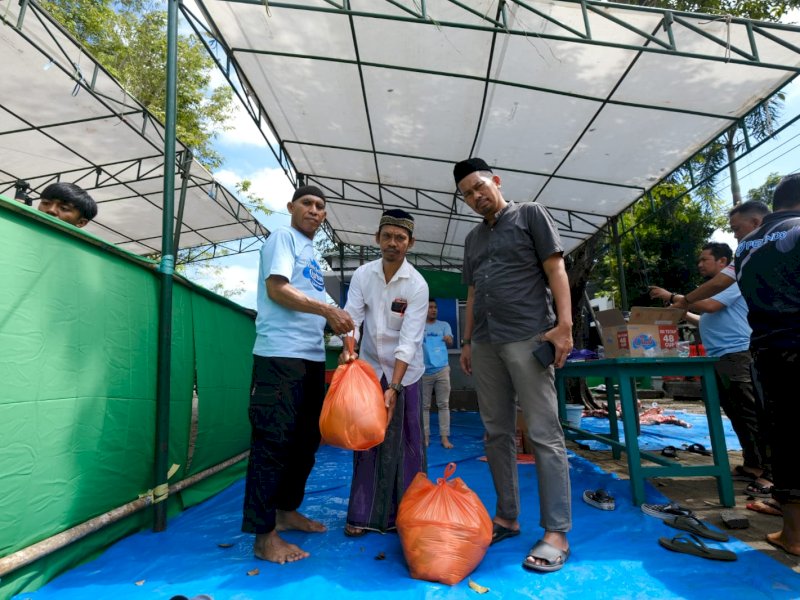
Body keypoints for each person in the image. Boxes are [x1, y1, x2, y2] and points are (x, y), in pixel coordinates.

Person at [455, 157, 573, 573]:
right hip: (486, 342)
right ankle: (506, 517)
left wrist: (564, 326)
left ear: (496, 180)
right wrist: (467, 341)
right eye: (467, 194)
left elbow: (555, 267)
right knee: (496, 432)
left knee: (543, 433)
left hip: (527, 335)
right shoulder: (472, 238)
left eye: (479, 186)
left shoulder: (530, 215)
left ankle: (556, 531)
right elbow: (472, 292)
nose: (476, 196)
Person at [241, 185, 354, 564]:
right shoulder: (282, 238)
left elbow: (315, 305)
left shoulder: (311, 255)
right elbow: (278, 290)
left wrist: (344, 338)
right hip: (279, 356)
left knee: (306, 441)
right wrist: (328, 311)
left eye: (321, 206)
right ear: (291, 207)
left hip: (310, 359)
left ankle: (286, 511)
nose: (314, 210)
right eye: (307, 203)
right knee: (272, 443)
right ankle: (263, 536)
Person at [649, 242, 770, 491]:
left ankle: (769, 471)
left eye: (705, 259)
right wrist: (684, 312)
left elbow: (711, 307)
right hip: (718, 356)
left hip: (736, 354)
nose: (700, 264)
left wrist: (672, 297)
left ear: (722, 261)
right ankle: (752, 464)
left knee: (749, 412)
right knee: (735, 412)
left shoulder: (731, 282)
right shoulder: (711, 290)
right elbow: (704, 318)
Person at [339, 208, 429, 537]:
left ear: (410, 243)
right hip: (369, 371)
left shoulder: (417, 285)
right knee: (367, 440)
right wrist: (349, 350)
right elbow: (352, 319)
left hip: (406, 375)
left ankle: (406, 517)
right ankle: (362, 515)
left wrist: (394, 387)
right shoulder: (363, 275)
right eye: (387, 236)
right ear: (377, 238)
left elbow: (410, 340)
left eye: (400, 238)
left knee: (407, 443)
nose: (393, 242)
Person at [733, 174, 800, 556]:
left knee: (786, 438)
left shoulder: (745, 247)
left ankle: (793, 534)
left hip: (770, 350)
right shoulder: (795, 230)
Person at [670, 201, 770, 308]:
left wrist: (679, 300)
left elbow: (718, 284)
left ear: (755, 223)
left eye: (736, 229)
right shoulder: (754, 249)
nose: (735, 236)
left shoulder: (750, 251)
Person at [422, 298, 454, 449]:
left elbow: (450, 341)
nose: (433, 310)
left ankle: (444, 438)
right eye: (430, 307)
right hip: (424, 371)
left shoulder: (444, 325)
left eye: (435, 307)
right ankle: (425, 437)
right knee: (424, 406)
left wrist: (448, 339)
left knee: (444, 404)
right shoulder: (419, 326)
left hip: (442, 369)